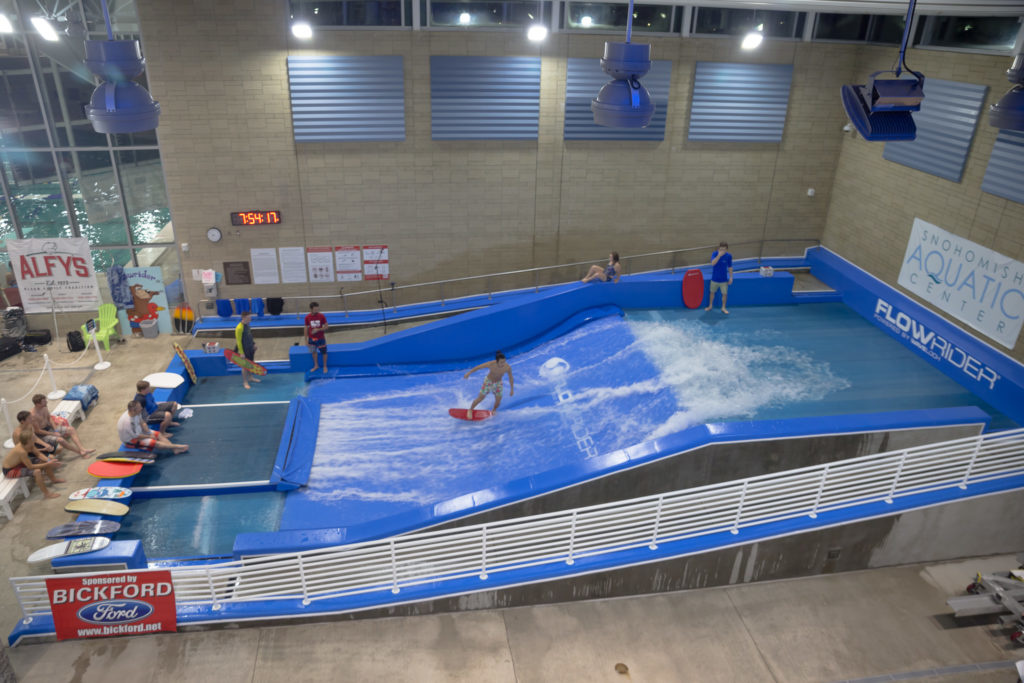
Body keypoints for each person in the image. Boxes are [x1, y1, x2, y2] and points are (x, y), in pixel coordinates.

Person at [2, 429, 64, 499]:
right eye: (33, 437)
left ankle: (53, 479)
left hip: (19, 463)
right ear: (28, 440)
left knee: (45, 461)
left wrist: (49, 460)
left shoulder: (29, 444)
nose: (35, 438)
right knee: (37, 472)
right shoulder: (22, 451)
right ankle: (47, 494)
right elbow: (31, 467)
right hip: (10, 470)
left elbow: (38, 454)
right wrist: (48, 464)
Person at [29, 394, 95, 456]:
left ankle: (82, 449)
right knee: (61, 440)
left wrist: (56, 430)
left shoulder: (44, 407)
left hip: (49, 428)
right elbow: (38, 431)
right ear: (38, 404)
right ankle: (80, 452)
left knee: (71, 429)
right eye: (44, 401)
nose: (46, 402)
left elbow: (49, 418)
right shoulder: (33, 415)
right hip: (43, 434)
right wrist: (53, 434)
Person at [117, 400, 189, 454]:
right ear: (133, 410)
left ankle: (174, 449)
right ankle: (176, 447)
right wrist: (149, 437)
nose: (142, 408)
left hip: (138, 432)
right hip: (130, 440)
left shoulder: (136, 413)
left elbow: (142, 423)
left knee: (158, 434)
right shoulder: (127, 422)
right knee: (155, 443)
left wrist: (149, 433)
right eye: (139, 407)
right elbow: (136, 436)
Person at [705, 241, 733, 315]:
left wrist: (731, 277)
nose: (722, 251)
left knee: (724, 294)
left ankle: (723, 307)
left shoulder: (728, 256)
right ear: (718, 248)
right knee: (712, 292)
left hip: (724, 279)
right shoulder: (714, 254)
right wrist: (719, 256)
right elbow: (713, 263)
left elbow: (730, 267)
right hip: (714, 278)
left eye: (723, 249)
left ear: (726, 249)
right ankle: (710, 306)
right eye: (720, 249)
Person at [235, 310, 259, 390]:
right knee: (245, 366)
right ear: (244, 318)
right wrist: (241, 353)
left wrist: (254, 344)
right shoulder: (239, 328)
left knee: (250, 364)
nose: (250, 319)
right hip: (244, 350)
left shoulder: (248, 325)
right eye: (249, 318)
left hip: (250, 348)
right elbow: (238, 341)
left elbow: (250, 336)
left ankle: (251, 377)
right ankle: (245, 382)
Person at [304, 301, 328, 373]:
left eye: (317, 309)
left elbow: (326, 327)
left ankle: (324, 366)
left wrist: (318, 329)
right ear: (311, 309)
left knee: (324, 352)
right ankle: (316, 365)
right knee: (313, 352)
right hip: (312, 339)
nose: (317, 311)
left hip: (321, 338)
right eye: (315, 309)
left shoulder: (321, 316)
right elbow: (306, 328)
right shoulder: (307, 317)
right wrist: (306, 340)